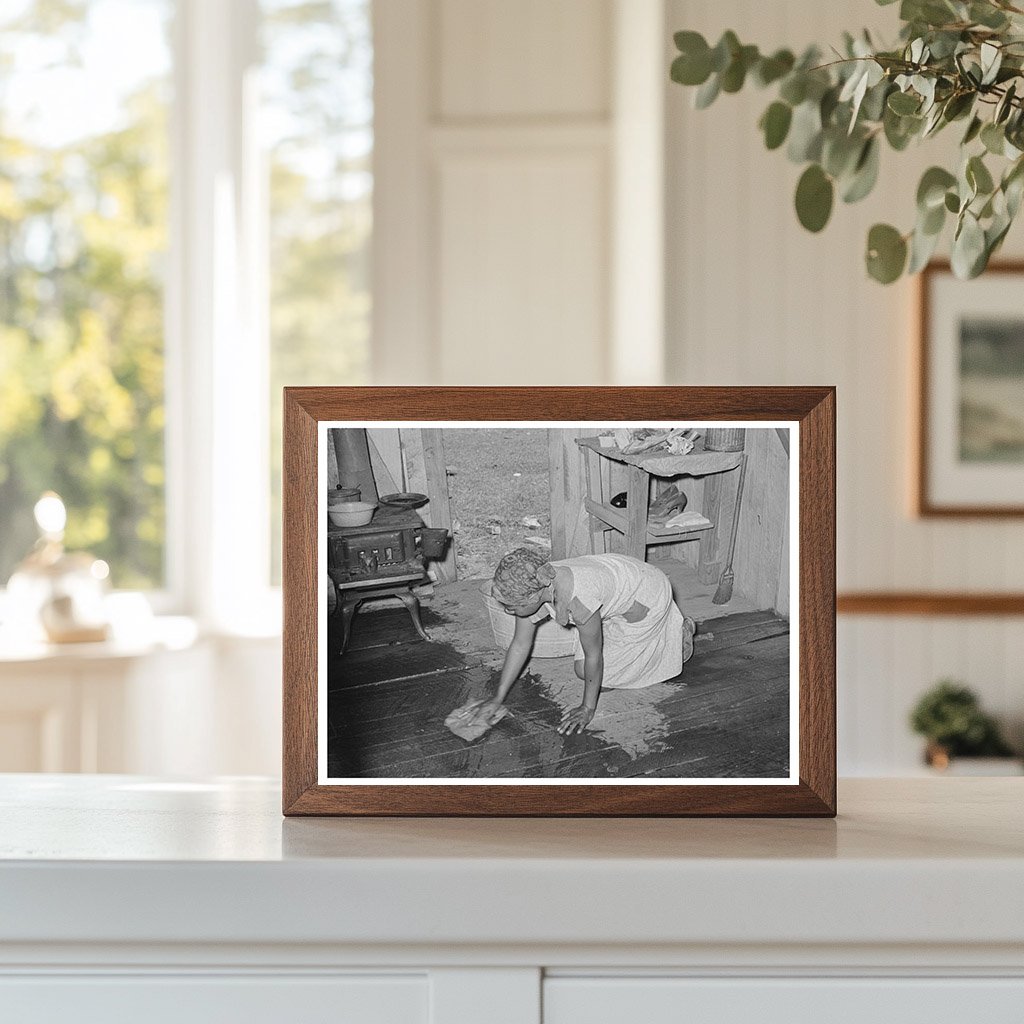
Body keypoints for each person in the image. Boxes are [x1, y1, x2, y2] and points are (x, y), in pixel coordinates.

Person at [481, 547, 696, 735]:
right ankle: (644, 632)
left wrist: (587, 708)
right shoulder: (537, 579)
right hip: (623, 578)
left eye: (511, 606)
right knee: (586, 668)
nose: (508, 611)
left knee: (590, 672)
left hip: (648, 596)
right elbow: (520, 644)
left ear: (532, 598)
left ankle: (678, 638)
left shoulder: (578, 600)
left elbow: (594, 657)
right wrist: (497, 698)